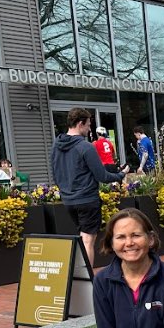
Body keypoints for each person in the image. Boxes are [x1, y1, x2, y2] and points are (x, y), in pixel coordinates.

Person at [51, 107, 128, 268]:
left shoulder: (56, 146)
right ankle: (87, 282)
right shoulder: (85, 147)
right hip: (87, 199)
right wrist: (121, 175)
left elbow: (56, 174)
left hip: (69, 201)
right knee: (87, 240)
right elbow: (102, 176)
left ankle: (81, 277)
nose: (89, 129)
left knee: (83, 237)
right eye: (88, 125)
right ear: (80, 123)